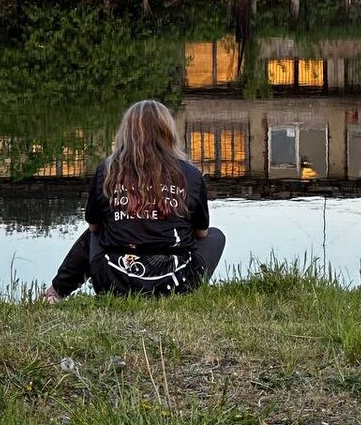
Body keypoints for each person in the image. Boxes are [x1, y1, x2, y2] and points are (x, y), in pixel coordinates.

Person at [43, 99, 225, 299]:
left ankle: (56, 293)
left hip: (114, 281)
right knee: (215, 236)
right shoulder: (190, 174)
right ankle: (183, 288)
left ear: (126, 133)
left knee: (95, 233)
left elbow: (95, 228)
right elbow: (201, 233)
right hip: (174, 282)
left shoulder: (107, 169)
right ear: (168, 132)